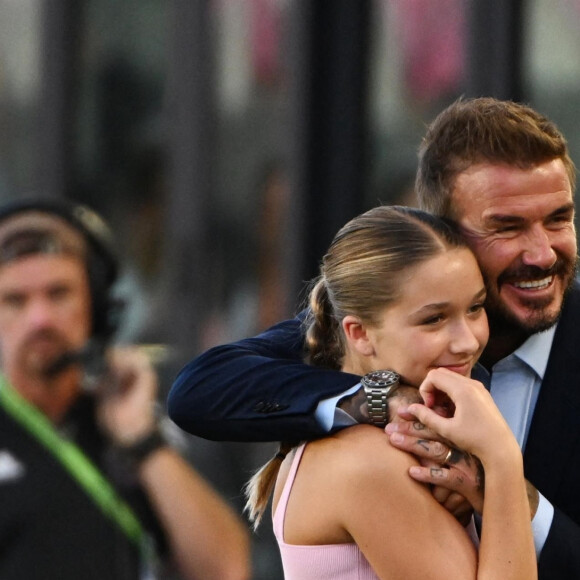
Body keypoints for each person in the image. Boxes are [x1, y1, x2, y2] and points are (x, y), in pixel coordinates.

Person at [167, 97, 580, 578]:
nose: (542, 254)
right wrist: (378, 399)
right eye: (506, 227)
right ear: (442, 232)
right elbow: (201, 388)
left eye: (558, 219)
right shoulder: (372, 339)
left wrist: (508, 491)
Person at [244, 205, 535, 579]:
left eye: (476, 308)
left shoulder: (371, 446)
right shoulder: (369, 461)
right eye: (434, 319)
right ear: (360, 334)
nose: (468, 341)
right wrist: (502, 458)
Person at [0, 197, 250, 580]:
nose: (40, 319)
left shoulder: (132, 425)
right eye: (15, 300)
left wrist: (142, 441)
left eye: (58, 294)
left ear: (97, 306)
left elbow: (226, 570)